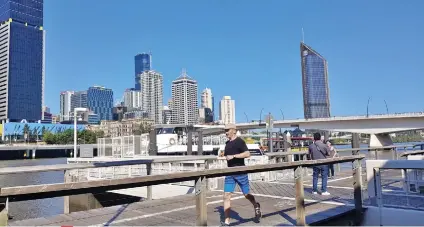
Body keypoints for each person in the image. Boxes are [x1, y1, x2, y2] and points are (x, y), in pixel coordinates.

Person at [221, 123, 261, 226]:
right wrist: (223, 157)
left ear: (234, 130)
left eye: (227, 130)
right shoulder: (227, 144)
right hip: (230, 173)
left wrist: (234, 156)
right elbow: (227, 157)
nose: (225, 132)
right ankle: (227, 222)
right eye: (225, 130)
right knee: (226, 196)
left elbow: (247, 154)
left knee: (246, 195)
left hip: (241, 172)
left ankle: (256, 205)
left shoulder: (240, 141)